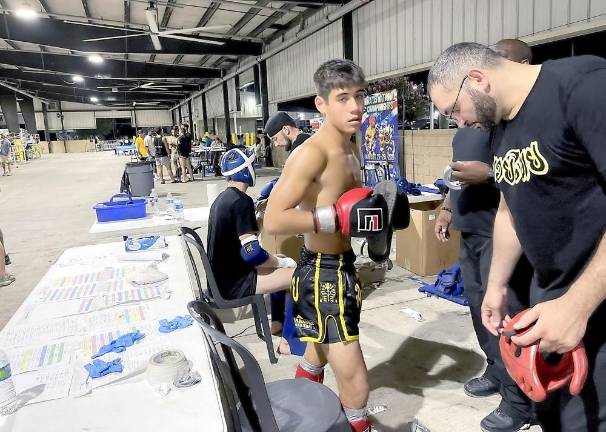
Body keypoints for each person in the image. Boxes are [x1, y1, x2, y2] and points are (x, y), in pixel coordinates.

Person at [428, 41, 606, 431]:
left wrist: (577, 305)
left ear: (477, 79)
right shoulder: (501, 128)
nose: (459, 123)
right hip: (552, 296)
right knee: (553, 414)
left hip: (595, 298)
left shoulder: (583, 85)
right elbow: (511, 206)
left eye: (453, 110)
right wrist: (496, 287)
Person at [264, 59, 400, 432]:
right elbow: (274, 219)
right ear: (321, 104)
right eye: (342, 98)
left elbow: (351, 209)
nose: (355, 107)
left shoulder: (350, 147)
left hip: (333, 267)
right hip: (324, 273)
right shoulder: (313, 152)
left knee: (315, 353)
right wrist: (334, 218)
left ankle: (301, 421)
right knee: (355, 382)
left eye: (359, 96)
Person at [434, 39, 534, 432]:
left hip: (501, 236)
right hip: (470, 231)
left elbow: (527, 177)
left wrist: (488, 174)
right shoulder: (472, 124)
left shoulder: (515, 123)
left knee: (507, 316)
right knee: (480, 312)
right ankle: (496, 369)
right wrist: (445, 208)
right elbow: (453, 172)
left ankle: (520, 400)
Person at [207, 147, 296, 353]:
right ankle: (287, 342)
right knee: (297, 275)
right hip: (234, 284)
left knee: (278, 259)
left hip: (222, 277)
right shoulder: (241, 201)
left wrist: (260, 213)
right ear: (245, 170)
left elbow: (241, 237)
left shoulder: (224, 199)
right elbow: (253, 253)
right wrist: (280, 262)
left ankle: (277, 324)